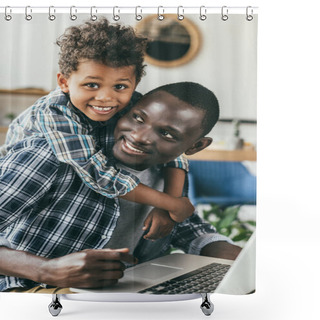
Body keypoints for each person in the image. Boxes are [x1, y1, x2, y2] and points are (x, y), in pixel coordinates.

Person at [0, 82, 241, 293]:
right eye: (138, 118)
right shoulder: (52, 157)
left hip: (119, 292)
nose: (139, 136)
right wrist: (45, 270)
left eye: (167, 133)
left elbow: (179, 221)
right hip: (29, 291)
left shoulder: (169, 174)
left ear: (196, 146)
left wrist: (224, 250)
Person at [0, 18, 193, 238]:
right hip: (29, 193)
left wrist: (168, 205)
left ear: (135, 84)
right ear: (64, 82)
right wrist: (172, 203)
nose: (105, 97)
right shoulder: (54, 113)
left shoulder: (135, 104)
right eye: (91, 84)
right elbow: (98, 174)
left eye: (120, 86)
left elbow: (174, 151)